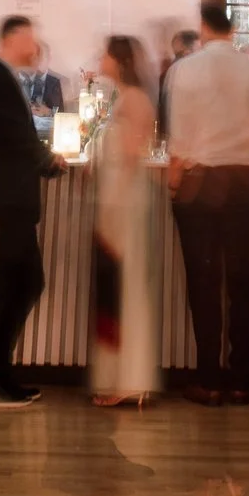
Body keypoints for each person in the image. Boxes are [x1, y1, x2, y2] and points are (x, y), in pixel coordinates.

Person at [162, 0, 249, 405]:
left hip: (202, 181)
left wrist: (174, 182)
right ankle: (242, 379)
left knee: (204, 283)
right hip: (245, 179)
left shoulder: (184, 70)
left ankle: (209, 379)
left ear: (204, 26)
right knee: (243, 282)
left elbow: (179, 137)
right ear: (234, 26)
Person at [0, 14, 57, 408]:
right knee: (16, 284)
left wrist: (45, 159)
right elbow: (16, 138)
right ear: (15, 37)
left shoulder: (2, 79)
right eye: (30, 37)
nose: (34, 45)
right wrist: (50, 162)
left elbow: (17, 137)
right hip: (10, 198)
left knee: (21, 282)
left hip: (13, 198)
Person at [88, 34, 163, 407]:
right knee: (118, 291)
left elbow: (131, 158)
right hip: (119, 199)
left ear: (118, 60)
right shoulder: (122, 97)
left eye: (103, 53)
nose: (98, 58)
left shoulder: (133, 99)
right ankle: (122, 378)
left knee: (126, 290)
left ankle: (130, 381)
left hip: (126, 202)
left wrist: (112, 212)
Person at [155, 28, 199, 141]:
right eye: (197, 50)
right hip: (182, 138)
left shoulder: (169, 71)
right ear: (187, 51)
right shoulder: (182, 73)